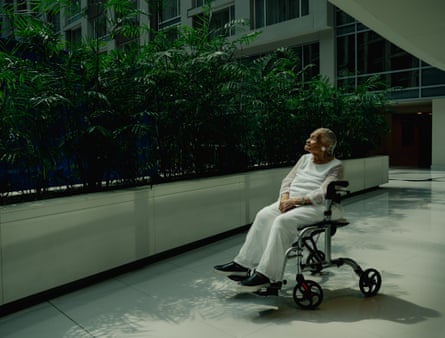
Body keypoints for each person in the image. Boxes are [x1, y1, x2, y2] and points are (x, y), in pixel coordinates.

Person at [214, 128, 344, 291]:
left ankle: (267, 276)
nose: (307, 141)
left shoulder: (336, 166)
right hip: (291, 201)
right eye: (309, 137)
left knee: (282, 221)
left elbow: (323, 192)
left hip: (320, 206)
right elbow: (287, 180)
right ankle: (243, 265)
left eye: (313, 138)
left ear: (326, 145)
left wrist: (295, 201)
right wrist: (284, 199)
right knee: (264, 215)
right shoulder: (304, 159)